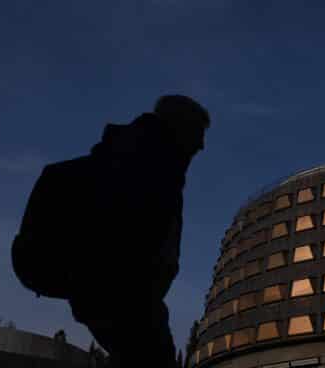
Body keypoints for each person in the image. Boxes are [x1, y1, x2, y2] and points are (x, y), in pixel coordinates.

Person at [65, 95, 210, 368]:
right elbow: (131, 234)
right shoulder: (147, 164)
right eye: (198, 134)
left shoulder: (140, 158)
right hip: (125, 293)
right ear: (180, 126)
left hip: (120, 294)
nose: (201, 145)